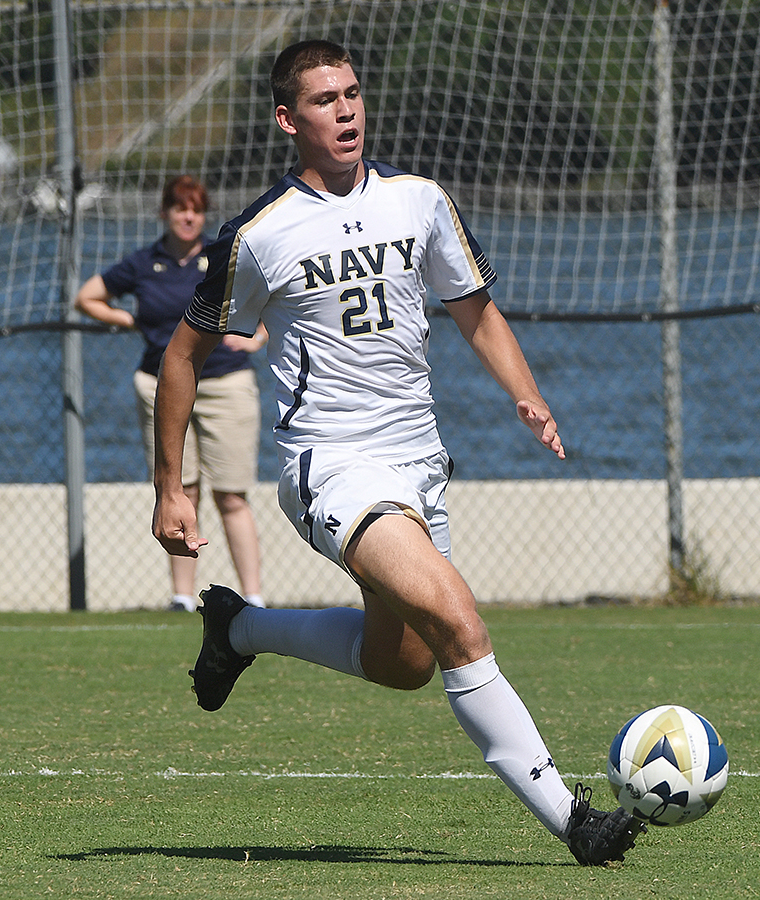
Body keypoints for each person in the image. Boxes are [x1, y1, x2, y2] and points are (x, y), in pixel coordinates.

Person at [151, 40, 641, 865]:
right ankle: (574, 821)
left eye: (351, 94)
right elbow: (181, 357)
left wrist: (526, 392)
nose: (345, 110)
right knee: (459, 621)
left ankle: (241, 630)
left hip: (419, 463)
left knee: (406, 663)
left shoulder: (419, 202)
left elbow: (475, 311)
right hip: (331, 466)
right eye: (322, 100)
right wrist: (171, 489)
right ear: (286, 119)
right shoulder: (260, 234)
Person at [75, 174, 266, 611]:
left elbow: (274, 294)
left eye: (196, 209)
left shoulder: (223, 257)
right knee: (179, 490)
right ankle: (183, 597)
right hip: (159, 387)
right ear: (165, 213)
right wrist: (131, 322)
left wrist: (257, 337)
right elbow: (88, 297)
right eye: (180, 208)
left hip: (226, 385)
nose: (188, 217)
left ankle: (253, 596)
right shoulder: (143, 263)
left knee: (232, 495)